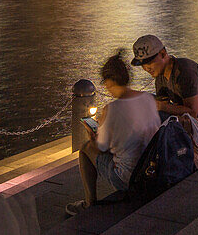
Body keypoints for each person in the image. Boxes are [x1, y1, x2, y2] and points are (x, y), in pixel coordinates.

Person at [67, 51, 160, 216]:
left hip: (128, 177)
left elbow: (101, 147)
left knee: (86, 149)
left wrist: (93, 135)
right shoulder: (148, 99)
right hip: (152, 168)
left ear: (110, 81)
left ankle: (89, 203)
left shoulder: (112, 109)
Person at [132, 34, 198, 154]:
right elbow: (161, 108)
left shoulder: (184, 71)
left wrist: (161, 107)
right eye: (143, 65)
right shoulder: (160, 78)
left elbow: (192, 112)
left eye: (150, 62)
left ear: (163, 54)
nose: (147, 68)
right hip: (189, 128)